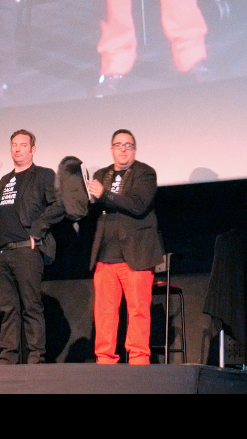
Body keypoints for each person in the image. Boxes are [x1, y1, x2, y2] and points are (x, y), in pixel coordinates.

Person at [85, 129, 164, 364]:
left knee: (138, 312)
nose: (123, 149)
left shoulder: (145, 173)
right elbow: (91, 209)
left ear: (135, 150)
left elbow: (138, 205)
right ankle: (105, 361)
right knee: (104, 315)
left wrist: (104, 194)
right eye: (118, 145)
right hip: (105, 255)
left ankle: (139, 361)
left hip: (136, 254)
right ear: (111, 149)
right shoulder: (101, 174)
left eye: (128, 145)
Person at [0, 129, 66, 364]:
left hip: (27, 249)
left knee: (31, 306)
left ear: (32, 149)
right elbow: (0, 218)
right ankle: (7, 359)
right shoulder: (5, 180)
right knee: (7, 309)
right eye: (14, 144)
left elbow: (59, 205)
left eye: (23, 145)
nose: (17, 148)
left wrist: (37, 229)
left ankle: (36, 358)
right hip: (4, 252)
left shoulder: (43, 175)